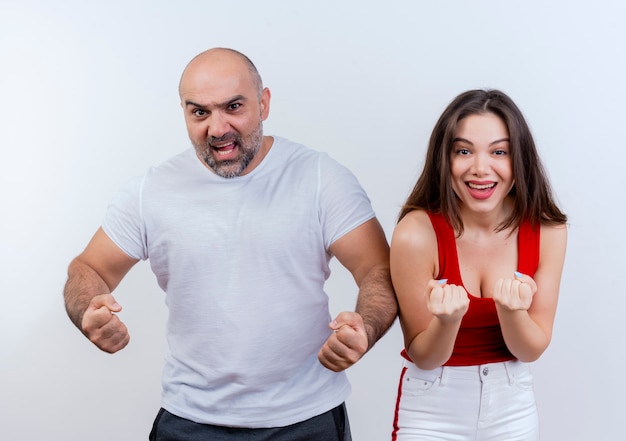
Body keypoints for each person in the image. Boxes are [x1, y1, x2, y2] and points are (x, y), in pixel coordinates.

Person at [63, 47, 397, 441]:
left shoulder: (321, 178)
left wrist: (366, 328)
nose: (218, 128)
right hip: (189, 420)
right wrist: (89, 310)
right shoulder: (150, 190)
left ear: (264, 102)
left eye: (233, 106)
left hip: (307, 419)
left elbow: (378, 269)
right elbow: (89, 269)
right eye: (200, 112)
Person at [389, 89, 567, 440]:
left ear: (520, 159)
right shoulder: (415, 234)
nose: (481, 168)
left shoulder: (547, 230)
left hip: (512, 406)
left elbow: (532, 349)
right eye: (464, 151)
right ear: (446, 158)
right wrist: (447, 321)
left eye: (499, 151)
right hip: (432, 409)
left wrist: (512, 312)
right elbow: (423, 355)